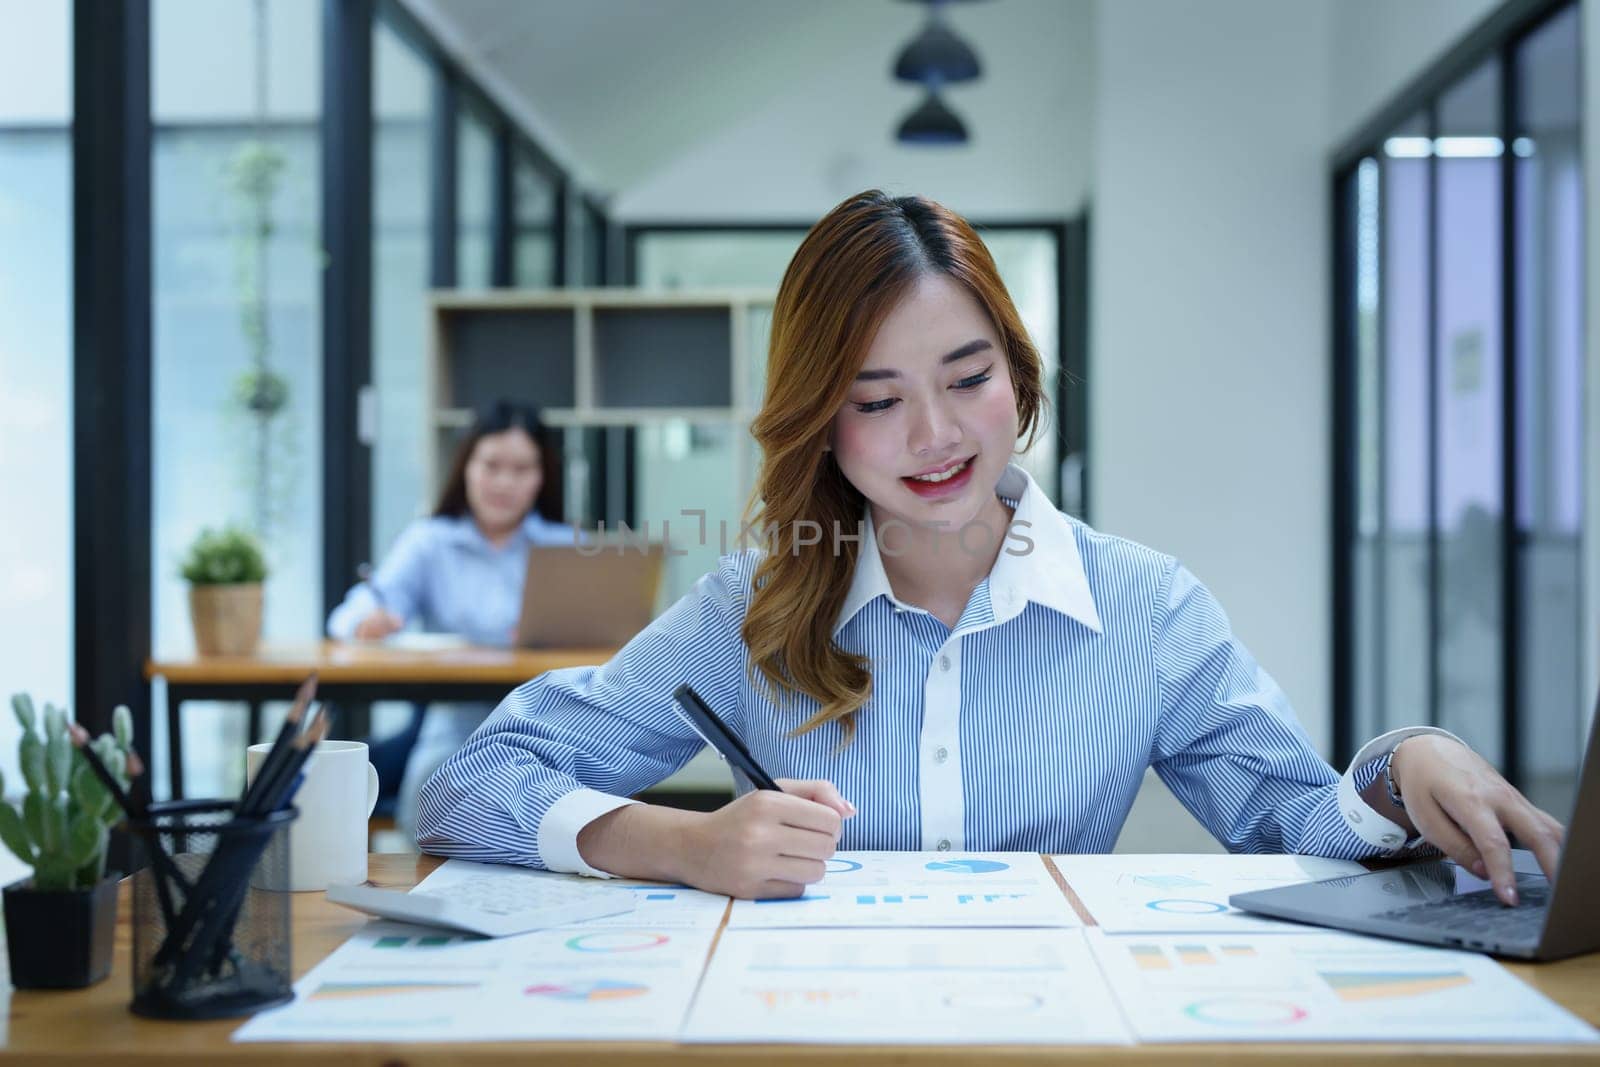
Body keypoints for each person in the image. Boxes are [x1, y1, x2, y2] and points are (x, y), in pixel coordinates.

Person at [416, 191, 1564, 904]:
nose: (933, 435)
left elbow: (1297, 823)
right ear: (820, 419)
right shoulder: (751, 607)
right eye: (875, 399)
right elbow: (463, 787)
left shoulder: (1145, 607)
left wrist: (1402, 763)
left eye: (967, 379)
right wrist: (683, 841)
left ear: (1018, 375)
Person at [328, 401, 574, 836]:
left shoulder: (568, 545)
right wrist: (370, 621)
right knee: (432, 795)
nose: (504, 482)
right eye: (491, 465)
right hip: (453, 717)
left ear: (542, 476)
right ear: (466, 466)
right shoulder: (431, 541)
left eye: (521, 469)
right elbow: (351, 613)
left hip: (547, 718)